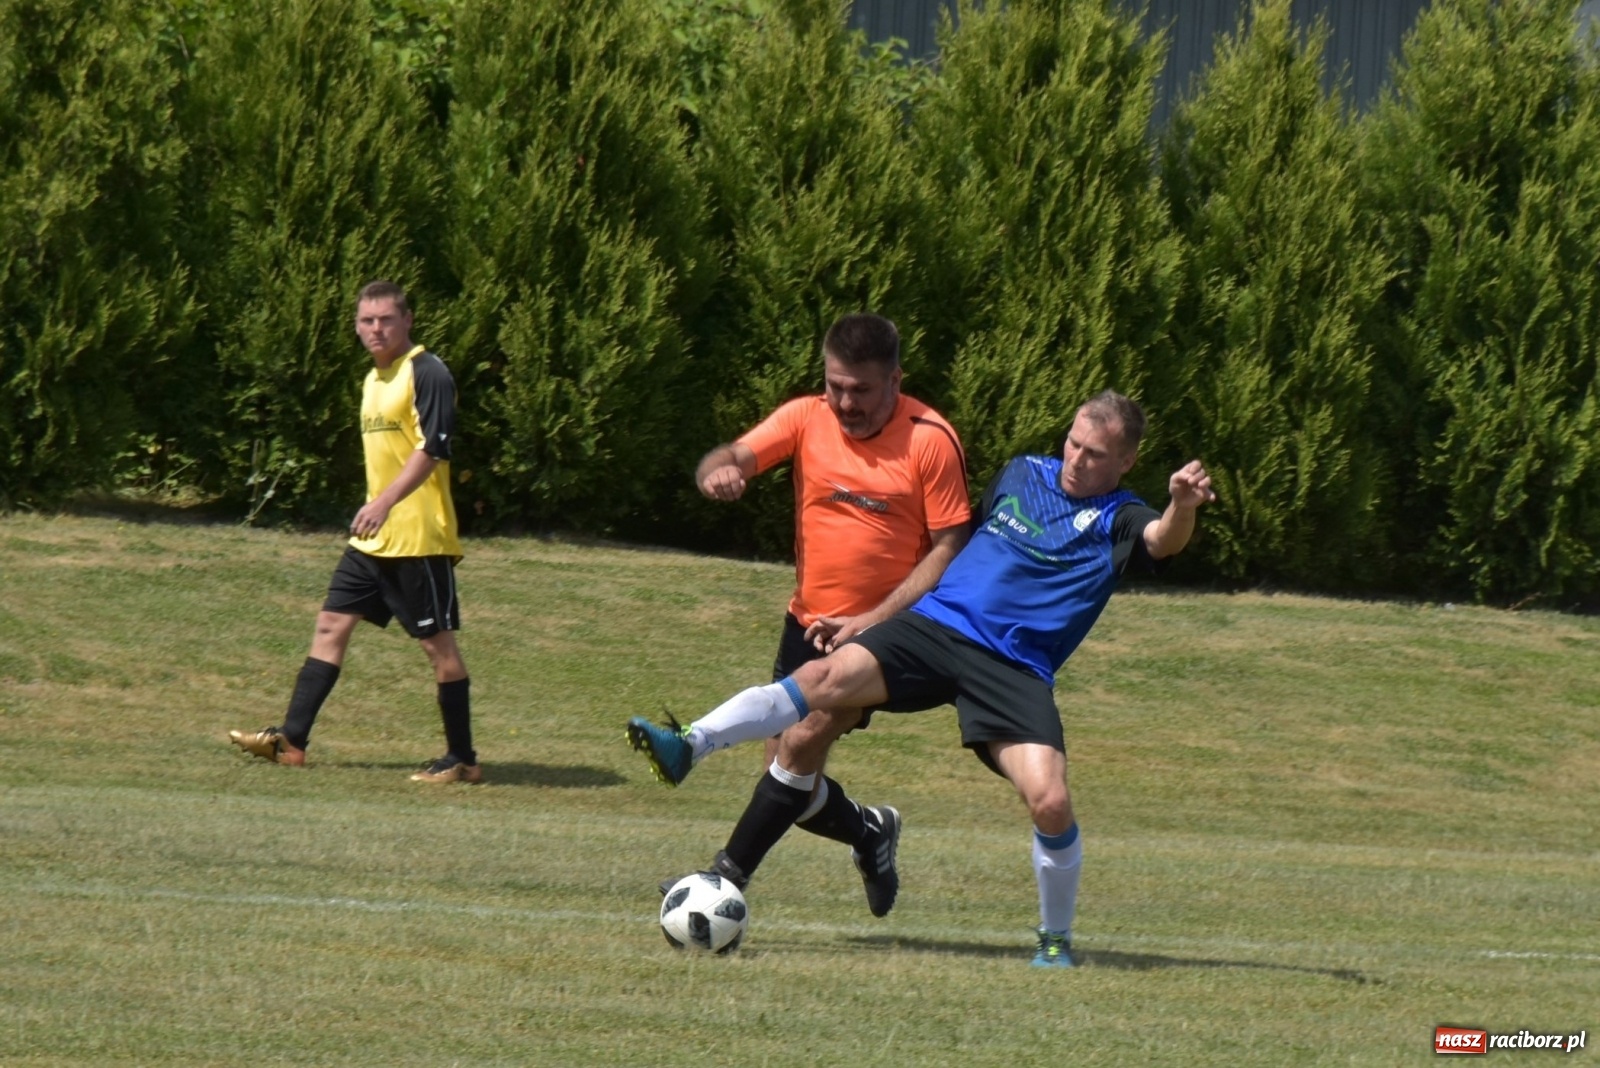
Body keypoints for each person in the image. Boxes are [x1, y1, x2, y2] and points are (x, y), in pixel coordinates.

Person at [653, 390, 1213, 967]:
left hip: (1013, 668)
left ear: (1125, 461)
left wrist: (1182, 506)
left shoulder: (1120, 517)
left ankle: (1054, 943)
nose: (1076, 458)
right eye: (1073, 442)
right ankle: (690, 742)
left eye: (1095, 453)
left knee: (1050, 800)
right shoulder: (1021, 472)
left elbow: (1161, 540)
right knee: (819, 681)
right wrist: (873, 618)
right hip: (933, 629)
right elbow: (953, 546)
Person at [627, 312, 971, 918]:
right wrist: (720, 473)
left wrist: (873, 618)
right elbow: (731, 453)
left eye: (861, 390)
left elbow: (949, 547)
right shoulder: (806, 416)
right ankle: (870, 833)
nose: (845, 402)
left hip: (887, 634)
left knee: (803, 742)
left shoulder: (928, 439)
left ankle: (721, 878)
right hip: (807, 624)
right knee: (789, 783)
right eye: (835, 385)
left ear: (896, 380)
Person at [229, 280, 480, 784]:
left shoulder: (427, 372)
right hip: (372, 539)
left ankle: (462, 760)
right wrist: (376, 511)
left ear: (407, 320)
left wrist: (385, 502)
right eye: (367, 321)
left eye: (386, 319)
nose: (376, 329)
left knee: (439, 649)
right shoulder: (372, 380)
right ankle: (291, 743)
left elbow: (432, 450)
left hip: (417, 539)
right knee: (329, 625)